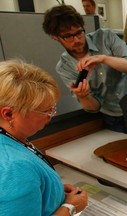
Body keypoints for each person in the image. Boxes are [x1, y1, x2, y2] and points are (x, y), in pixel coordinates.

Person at [0, 59, 88, 215]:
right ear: (8, 114)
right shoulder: (14, 167)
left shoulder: (10, 138)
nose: (51, 116)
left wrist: (52, 190)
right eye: (46, 110)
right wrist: (71, 207)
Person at [42, 5, 127, 133]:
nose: (76, 40)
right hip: (113, 117)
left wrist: (104, 59)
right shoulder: (65, 67)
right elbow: (95, 107)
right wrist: (84, 97)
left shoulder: (104, 37)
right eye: (68, 36)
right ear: (55, 37)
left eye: (79, 32)